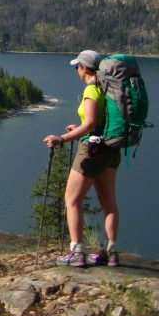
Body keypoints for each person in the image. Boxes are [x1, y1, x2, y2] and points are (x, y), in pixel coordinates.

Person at [43, 50, 120, 268]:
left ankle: (77, 251)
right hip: (111, 150)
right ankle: (111, 252)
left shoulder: (92, 90)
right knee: (109, 204)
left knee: (72, 200)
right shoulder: (108, 89)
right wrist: (80, 130)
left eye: (77, 66)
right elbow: (98, 124)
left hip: (92, 152)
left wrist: (62, 138)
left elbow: (90, 124)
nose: (76, 70)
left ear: (84, 68)